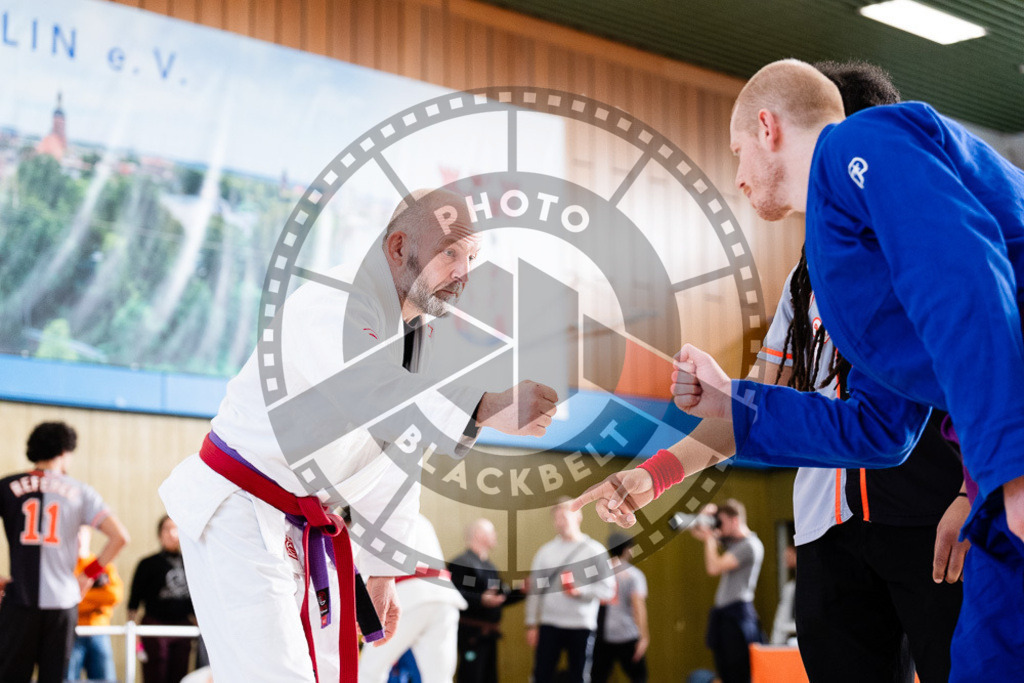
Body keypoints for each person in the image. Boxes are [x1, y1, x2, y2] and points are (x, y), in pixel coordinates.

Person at [572, 61, 971, 680]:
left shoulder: (926, 238)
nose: (737, 175)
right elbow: (747, 408)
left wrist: (976, 491)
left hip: (932, 516)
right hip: (827, 533)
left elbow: (984, 369)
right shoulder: (804, 282)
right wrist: (654, 475)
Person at [663, 59, 1024, 680]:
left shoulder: (864, 139)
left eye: (738, 151)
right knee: (986, 662)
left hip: (1003, 448)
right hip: (988, 457)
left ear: (768, 127)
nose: (738, 176)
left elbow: (964, 278)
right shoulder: (832, 270)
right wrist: (734, 401)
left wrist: (1010, 469)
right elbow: (881, 431)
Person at [159, 187, 559, 682]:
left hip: (301, 525)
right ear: (399, 247)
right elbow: (373, 391)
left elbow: (396, 459)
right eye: (450, 253)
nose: (463, 272)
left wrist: (384, 569)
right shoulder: (337, 299)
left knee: (321, 673)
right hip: (241, 510)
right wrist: (482, 406)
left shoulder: (417, 336)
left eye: (472, 257)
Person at [0, 421, 129, 683]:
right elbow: (120, 537)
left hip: (19, 601)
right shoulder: (81, 491)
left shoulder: (6, 486)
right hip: (62, 604)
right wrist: (88, 575)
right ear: (64, 452)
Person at [358, 514, 467, 683]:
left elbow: (359, 571)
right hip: (444, 597)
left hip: (409, 596)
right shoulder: (419, 517)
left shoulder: (371, 514)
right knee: (439, 678)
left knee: (369, 671)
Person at [525, 497, 615, 683]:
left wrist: (581, 591)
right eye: (556, 518)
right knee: (542, 675)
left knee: (579, 676)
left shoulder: (595, 551)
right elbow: (535, 590)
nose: (560, 522)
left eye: (564, 517)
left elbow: (608, 590)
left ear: (578, 517)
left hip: (581, 625)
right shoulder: (545, 552)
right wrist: (531, 623)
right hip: (550, 623)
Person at [689, 501, 763, 683]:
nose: (719, 527)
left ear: (735, 521)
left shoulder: (749, 545)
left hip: (737, 617)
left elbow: (714, 567)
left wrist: (710, 538)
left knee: (737, 674)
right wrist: (704, 517)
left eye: (720, 522)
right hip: (725, 616)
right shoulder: (733, 543)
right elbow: (695, 531)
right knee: (724, 674)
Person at [447, 518, 524, 683]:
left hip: (489, 635)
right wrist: (480, 599)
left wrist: (521, 592)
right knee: (471, 677)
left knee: (489, 678)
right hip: (471, 636)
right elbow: (454, 593)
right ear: (479, 535)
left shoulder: (490, 567)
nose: (495, 536)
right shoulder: (461, 564)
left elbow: (500, 597)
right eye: (492, 532)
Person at [127, 515, 196, 683]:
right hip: (155, 628)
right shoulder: (148, 564)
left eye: (175, 529)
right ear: (160, 534)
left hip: (183, 628)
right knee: (156, 675)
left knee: (180, 675)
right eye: (167, 529)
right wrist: (134, 636)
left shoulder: (192, 563)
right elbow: (133, 603)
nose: (172, 534)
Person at [68, 525, 124, 682]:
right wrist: (97, 602)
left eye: (82, 533)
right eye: (75, 533)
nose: (79, 538)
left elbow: (114, 595)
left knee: (105, 678)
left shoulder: (102, 565)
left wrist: (80, 595)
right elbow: (64, 600)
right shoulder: (65, 566)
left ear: (89, 535)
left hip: (99, 631)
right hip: (73, 631)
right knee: (69, 678)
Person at [591, 532, 648, 683]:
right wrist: (644, 636)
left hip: (602, 634)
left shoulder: (599, 573)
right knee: (639, 677)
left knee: (597, 677)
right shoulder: (634, 575)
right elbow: (638, 607)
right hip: (627, 633)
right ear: (626, 549)